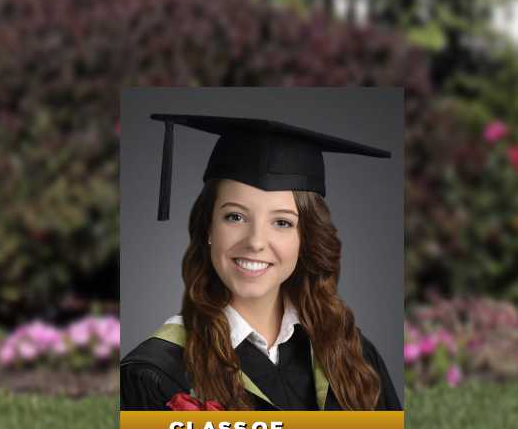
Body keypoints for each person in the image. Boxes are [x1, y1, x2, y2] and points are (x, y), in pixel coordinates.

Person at [118, 111, 402, 411]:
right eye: (235, 217)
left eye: (282, 222)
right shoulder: (157, 372)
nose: (255, 242)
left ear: (305, 239)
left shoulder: (351, 355)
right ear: (208, 229)